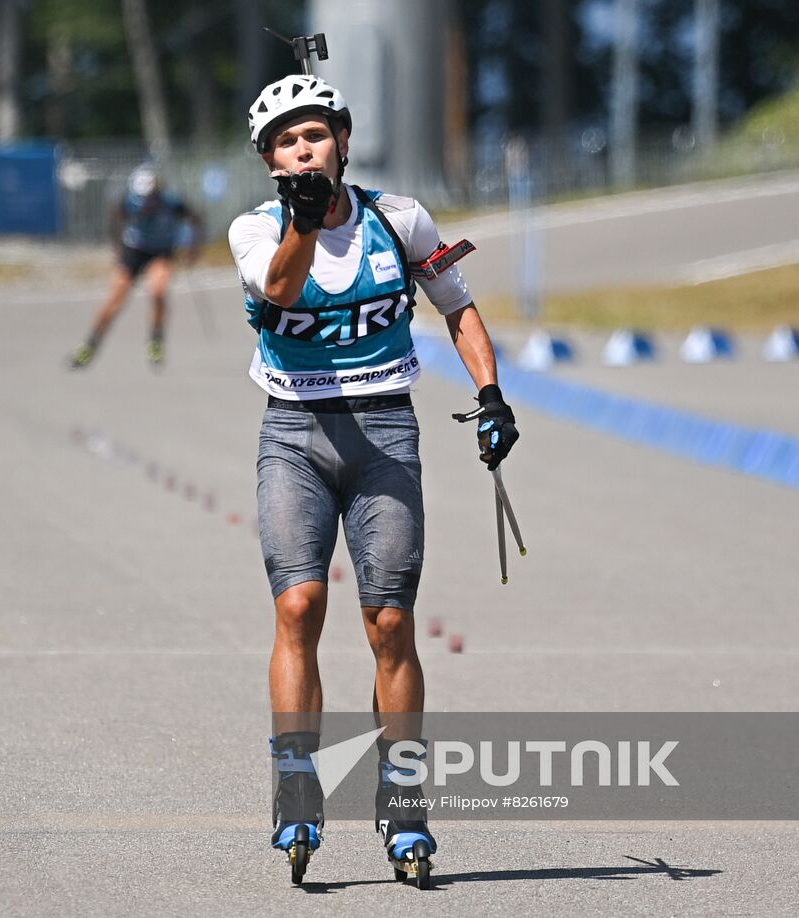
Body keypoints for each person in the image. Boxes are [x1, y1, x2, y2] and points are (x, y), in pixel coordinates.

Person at [228, 74, 519, 879]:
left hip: (386, 430)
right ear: (270, 160)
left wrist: (491, 395)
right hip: (295, 433)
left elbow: (457, 306)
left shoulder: (400, 219)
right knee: (299, 602)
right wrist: (303, 219)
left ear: (343, 142)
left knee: (390, 624)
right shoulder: (255, 231)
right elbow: (281, 288)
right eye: (286, 143)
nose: (303, 150)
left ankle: (404, 805)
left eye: (314, 136)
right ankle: (296, 787)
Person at [67, 164, 202, 369]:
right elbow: (115, 218)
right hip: (134, 251)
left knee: (158, 290)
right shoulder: (130, 201)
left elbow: (195, 219)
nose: (145, 203)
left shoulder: (171, 203)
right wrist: (118, 249)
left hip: (161, 251)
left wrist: (193, 250)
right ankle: (91, 344)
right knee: (115, 299)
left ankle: (156, 340)